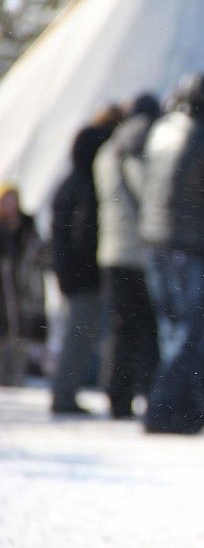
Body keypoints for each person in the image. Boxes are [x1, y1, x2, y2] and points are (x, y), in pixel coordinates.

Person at [140, 73, 204, 434]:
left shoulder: (162, 130)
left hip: (155, 242)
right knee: (188, 330)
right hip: (187, 244)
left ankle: (182, 407)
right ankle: (164, 408)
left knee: (172, 329)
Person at [50, 106, 123, 415]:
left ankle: (66, 393)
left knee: (77, 335)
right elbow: (83, 235)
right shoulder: (86, 188)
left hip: (71, 273)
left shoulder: (69, 183)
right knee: (78, 337)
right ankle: (64, 396)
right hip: (83, 276)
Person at [93, 93, 161, 419]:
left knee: (120, 327)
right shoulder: (135, 152)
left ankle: (116, 394)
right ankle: (133, 394)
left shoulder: (107, 152)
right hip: (136, 253)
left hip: (110, 248)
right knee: (142, 329)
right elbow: (148, 195)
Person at [0, 184, 47, 386]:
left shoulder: (26, 225)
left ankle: (17, 374)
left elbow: (37, 252)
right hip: (3, 288)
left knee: (21, 331)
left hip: (23, 286)